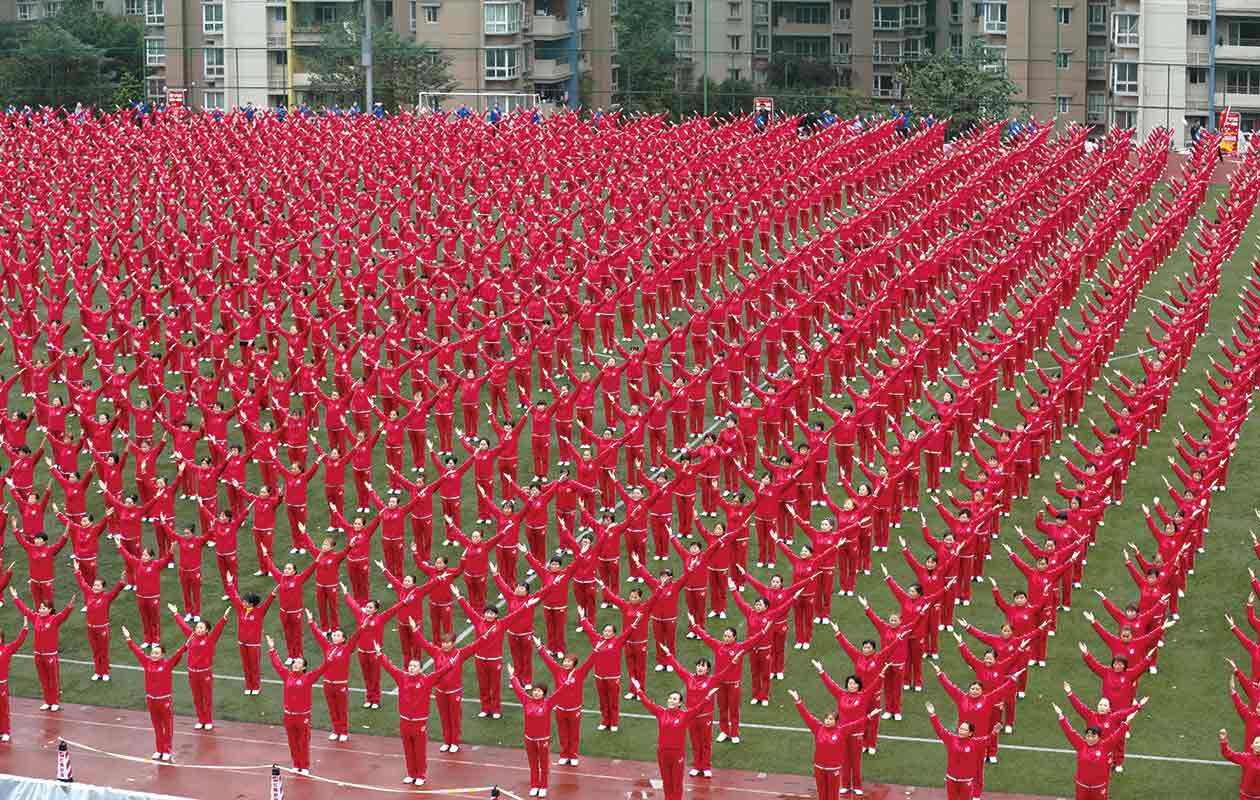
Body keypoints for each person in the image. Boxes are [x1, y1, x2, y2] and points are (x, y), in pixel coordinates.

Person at [629, 677, 720, 800]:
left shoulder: (685, 715)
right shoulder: (661, 712)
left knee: (676, 784)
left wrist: (708, 697)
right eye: (670, 698)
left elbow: (699, 708)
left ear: (680, 703)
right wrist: (638, 689)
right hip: (662, 754)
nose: (671, 701)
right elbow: (647, 703)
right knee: (667, 783)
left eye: (675, 699)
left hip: (678, 755)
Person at [378, 643, 456, 785]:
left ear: (420, 669)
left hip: (419, 722)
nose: (411, 668)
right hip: (404, 721)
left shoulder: (426, 680)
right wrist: (380, 654)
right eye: (410, 666)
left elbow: (440, 673)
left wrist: (450, 663)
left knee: (419, 750)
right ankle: (411, 773)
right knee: (408, 748)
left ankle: (420, 775)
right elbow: (389, 667)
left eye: (414, 666)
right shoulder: (402, 677)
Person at [789, 688, 876, 800]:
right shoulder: (818, 728)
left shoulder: (842, 731)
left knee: (833, 796)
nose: (827, 721)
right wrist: (798, 701)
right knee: (822, 795)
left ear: (836, 721)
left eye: (830, 719)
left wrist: (869, 716)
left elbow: (856, 723)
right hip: (819, 768)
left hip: (833, 769)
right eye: (826, 718)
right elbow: (806, 716)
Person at [122, 626, 188, 761]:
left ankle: (167, 750)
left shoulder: (168, 664)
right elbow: (137, 652)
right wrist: (129, 639)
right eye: (152, 652)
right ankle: (159, 749)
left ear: (162, 655)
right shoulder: (146, 663)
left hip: (164, 701)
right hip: (151, 700)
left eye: (157, 653)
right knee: (157, 726)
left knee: (167, 727)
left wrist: (187, 645)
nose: (153, 655)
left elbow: (178, 653)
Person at [268, 635, 329, 774]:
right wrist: (272, 649)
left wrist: (328, 657)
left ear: (304, 667)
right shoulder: (287, 675)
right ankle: (296, 764)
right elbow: (277, 664)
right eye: (295, 662)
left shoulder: (309, 677)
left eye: (299, 662)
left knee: (303, 741)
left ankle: (305, 766)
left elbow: (323, 668)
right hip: (289, 715)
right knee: (292, 741)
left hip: (303, 716)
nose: (295, 664)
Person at [10, 586, 75, 710]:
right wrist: (15, 597)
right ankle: (47, 701)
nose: (40, 609)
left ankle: (55, 702)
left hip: (50, 655)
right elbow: (24, 610)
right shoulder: (35, 618)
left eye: (43, 608)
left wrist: (70, 606)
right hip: (38, 655)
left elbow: (65, 614)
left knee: (53, 679)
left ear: (50, 610)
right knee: (44, 679)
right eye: (40, 608)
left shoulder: (55, 619)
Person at [1053, 702, 1136, 800]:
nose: (1090, 738)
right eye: (1088, 735)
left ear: (1099, 737)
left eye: (1093, 736)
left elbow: (1117, 735)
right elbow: (1069, 732)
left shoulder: (1105, 746)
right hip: (1081, 786)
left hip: (1099, 787)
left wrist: (1127, 722)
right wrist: (1061, 716)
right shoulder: (1080, 744)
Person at [170, 605, 230, 730]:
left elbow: (218, 629)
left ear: (207, 630)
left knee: (206, 697)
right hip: (192, 672)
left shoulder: (210, 639)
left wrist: (224, 618)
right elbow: (183, 626)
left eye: (201, 627)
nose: (198, 629)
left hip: (205, 673)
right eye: (197, 627)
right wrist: (176, 613)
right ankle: (200, 719)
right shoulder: (191, 636)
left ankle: (208, 720)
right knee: (197, 697)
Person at [509, 664, 565, 797]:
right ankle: (534, 785)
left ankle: (543, 786)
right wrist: (512, 677)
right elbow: (518, 690)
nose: (536, 692)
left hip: (543, 740)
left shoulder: (549, 703)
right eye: (534, 690)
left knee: (544, 765)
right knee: (533, 764)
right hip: (529, 739)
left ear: (544, 693)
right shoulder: (526, 701)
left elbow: (560, 693)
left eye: (539, 691)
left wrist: (567, 682)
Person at [927, 701, 999, 800]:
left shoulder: (975, 743)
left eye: (965, 730)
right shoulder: (951, 739)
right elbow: (939, 729)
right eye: (961, 728)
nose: (961, 731)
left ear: (970, 733)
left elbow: (988, 740)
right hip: (951, 779)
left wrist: (994, 732)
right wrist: (932, 715)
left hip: (966, 781)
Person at [0, 622, 29, 741]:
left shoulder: (7, 649)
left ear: (2, 638)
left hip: (2, 684)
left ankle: (5, 731)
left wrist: (25, 629)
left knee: (4, 708)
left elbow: (18, 642)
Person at [1219, 729, 1260, 800]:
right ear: (1252, 746)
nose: (1259, 745)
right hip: (1245, 797)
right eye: (1257, 743)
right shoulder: (1246, 758)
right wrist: (1223, 741)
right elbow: (1228, 754)